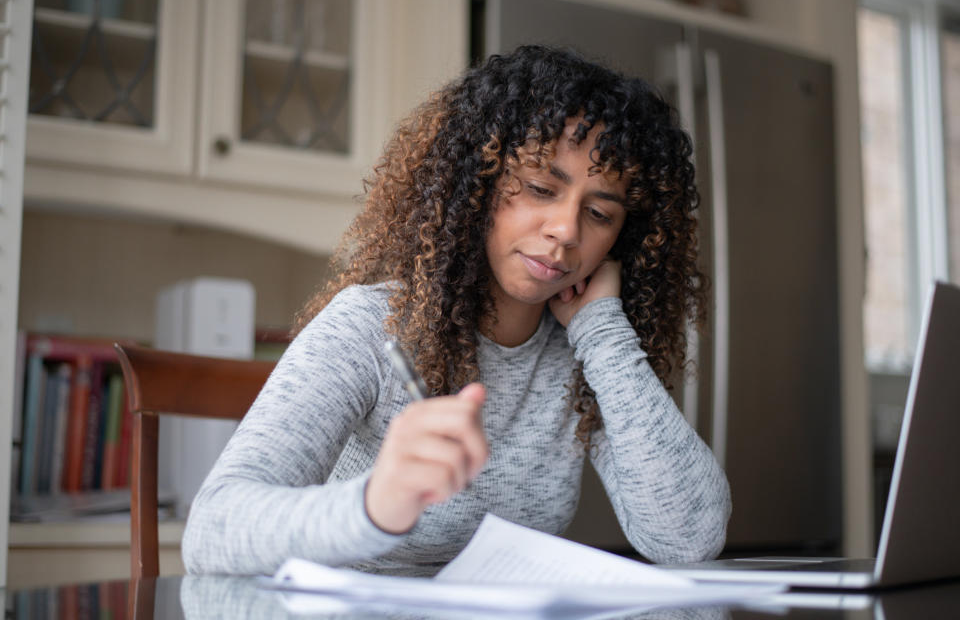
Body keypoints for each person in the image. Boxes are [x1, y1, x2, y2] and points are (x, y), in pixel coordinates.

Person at [181, 45, 731, 577]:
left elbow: (689, 539)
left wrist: (604, 331)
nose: (566, 231)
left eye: (599, 213)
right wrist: (374, 505)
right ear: (476, 184)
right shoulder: (371, 328)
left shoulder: (586, 352)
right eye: (540, 188)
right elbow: (212, 529)